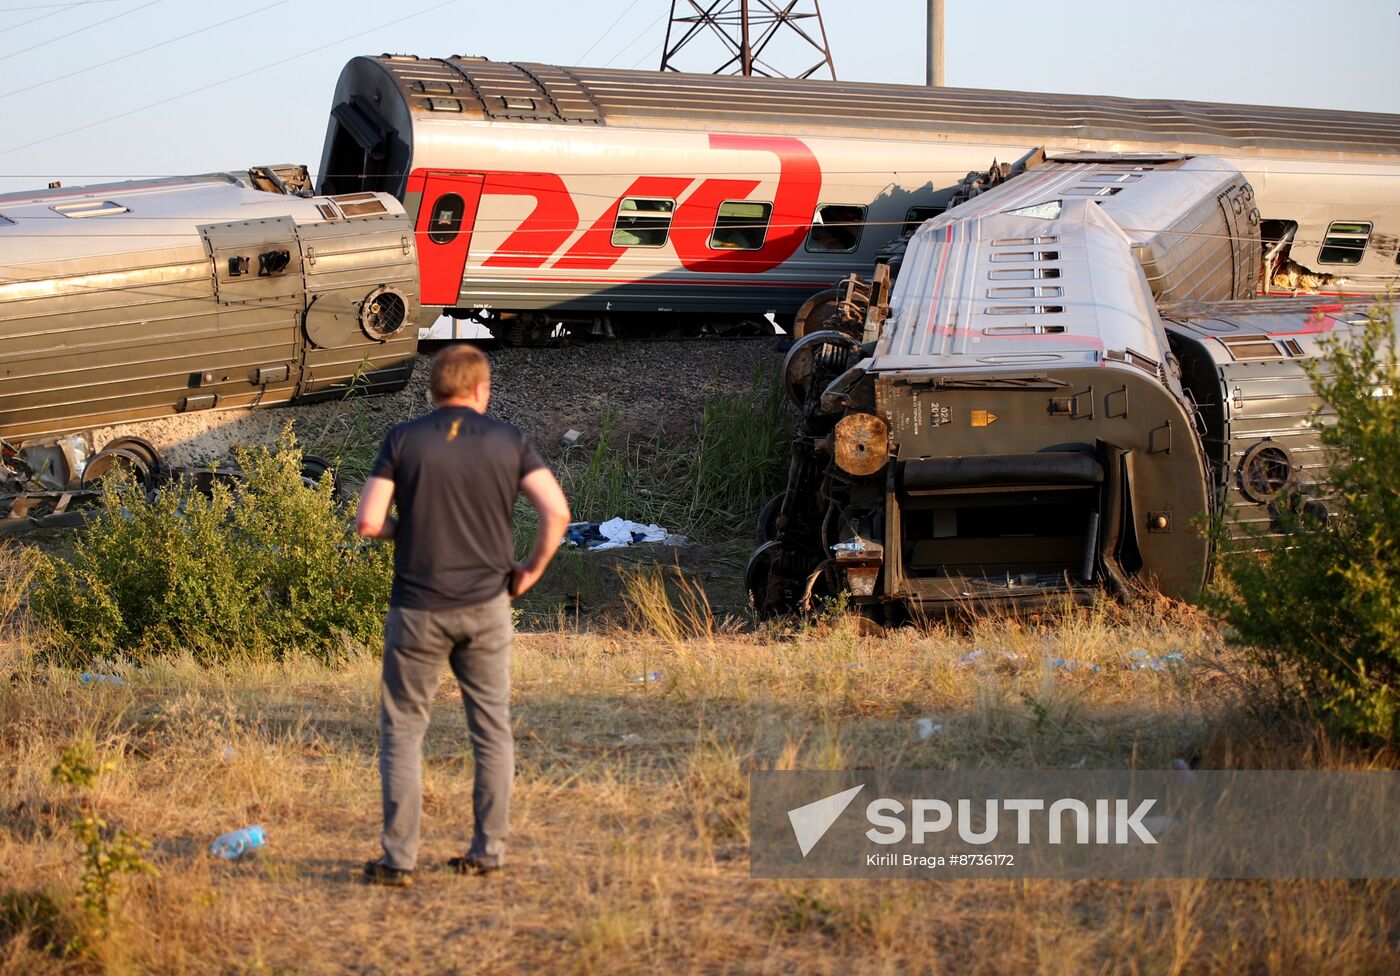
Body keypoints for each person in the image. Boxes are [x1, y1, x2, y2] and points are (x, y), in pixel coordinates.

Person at [354, 344, 570, 887]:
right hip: (487, 606)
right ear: (481, 390)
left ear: (433, 391)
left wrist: (412, 530)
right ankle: (488, 851)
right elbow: (557, 511)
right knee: (491, 731)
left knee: (403, 733)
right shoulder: (508, 440)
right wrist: (529, 571)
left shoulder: (403, 439)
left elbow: (369, 521)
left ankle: (398, 860)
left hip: (418, 608)